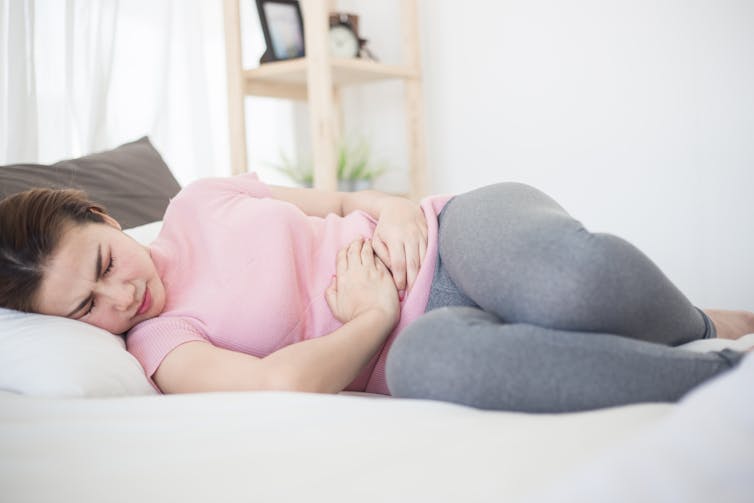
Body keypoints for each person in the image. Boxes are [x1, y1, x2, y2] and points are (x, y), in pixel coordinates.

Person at [1, 172, 752, 413]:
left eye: (103, 263)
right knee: (437, 367)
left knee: (574, 282)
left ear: (101, 215)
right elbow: (279, 382)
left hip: (449, 235)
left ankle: (696, 320)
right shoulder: (161, 347)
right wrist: (377, 316)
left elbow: (338, 201)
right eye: (84, 309)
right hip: (421, 337)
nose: (119, 297)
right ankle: (724, 375)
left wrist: (394, 211)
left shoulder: (201, 199)